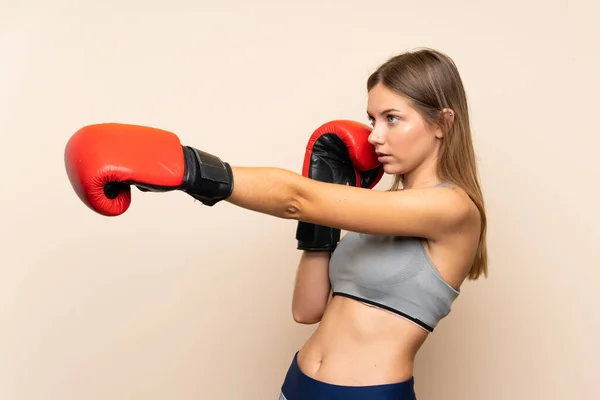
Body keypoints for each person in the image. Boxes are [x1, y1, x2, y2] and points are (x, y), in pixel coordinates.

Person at [64, 47, 487, 400]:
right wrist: (320, 226)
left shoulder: (452, 210)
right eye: (372, 119)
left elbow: (294, 198)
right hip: (298, 383)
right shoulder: (375, 207)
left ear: (442, 123)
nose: (375, 135)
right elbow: (307, 310)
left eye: (392, 118)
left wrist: (190, 169)